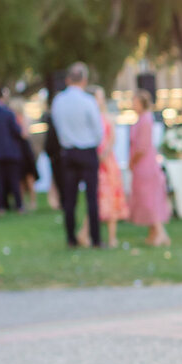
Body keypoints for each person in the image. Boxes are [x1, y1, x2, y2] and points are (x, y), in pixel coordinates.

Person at [50, 63, 103, 248]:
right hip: (87, 151)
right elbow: (98, 130)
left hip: (68, 152)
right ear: (84, 80)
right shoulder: (88, 101)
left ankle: (71, 238)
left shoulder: (58, 101)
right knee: (91, 198)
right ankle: (96, 239)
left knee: (70, 199)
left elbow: (57, 126)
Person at [128, 89, 171, 246]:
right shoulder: (141, 119)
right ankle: (154, 233)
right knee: (144, 197)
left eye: (135, 101)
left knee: (149, 198)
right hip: (141, 164)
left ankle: (159, 232)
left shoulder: (146, 120)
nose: (132, 105)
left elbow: (142, 147)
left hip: (145, 165)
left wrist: (132, 161)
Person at [92, 87, 127, 249]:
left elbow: (112, 138)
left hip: (108, 163)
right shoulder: (91, 118)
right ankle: (86, 234)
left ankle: (112, 237)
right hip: (96, 163)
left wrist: (104, 154)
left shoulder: (107, 117)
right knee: (95, 199)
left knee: (111, 198)